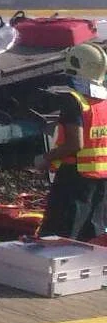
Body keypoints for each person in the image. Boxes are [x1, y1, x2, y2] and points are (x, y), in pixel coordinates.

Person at [34, 42, 107, 241]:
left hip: (74, 178)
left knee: (60, 236)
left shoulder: (74, 101)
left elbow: (76, 144)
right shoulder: (104, 102)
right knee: (92, 236)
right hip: (100, 180)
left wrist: (45, 158)